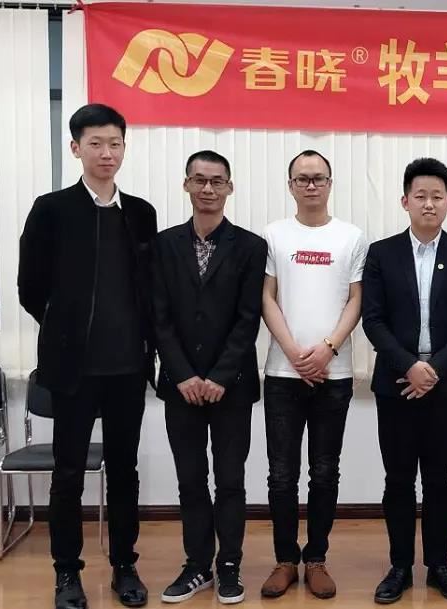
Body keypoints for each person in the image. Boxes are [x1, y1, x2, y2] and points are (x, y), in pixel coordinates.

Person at [18, 103, 157, 609]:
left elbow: (148, 287)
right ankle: (66, 572)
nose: (106, 153)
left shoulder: (140, 213)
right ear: (76, 148)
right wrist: (65, 329)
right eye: (95, 143)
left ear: (124, 148)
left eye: (114, 143)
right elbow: (30, 288)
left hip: (127, 367)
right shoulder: (51, 209)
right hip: (74, 368)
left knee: (124, 470)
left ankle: (124, 565)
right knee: (69, 473)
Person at [362, 158, 447, 604]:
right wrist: (409, 366)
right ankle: (399, 566)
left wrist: (434, 370)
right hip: (396, 383)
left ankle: (438, 565)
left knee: (439, 479)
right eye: (420, 196)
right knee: (397, 479)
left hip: (445, 385)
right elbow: (373, 320)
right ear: (405, 201)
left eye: (437, 196)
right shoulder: (382, 253)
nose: (428, 204)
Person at [151, 150, 266, 605]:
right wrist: (182, 374)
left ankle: (229, 565)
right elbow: (158, 317)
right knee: (191, 479)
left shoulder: (250, 246)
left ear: (230, 188)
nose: (208, 189)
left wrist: (219, 375)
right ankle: (197, 564)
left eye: (217, 181)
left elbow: (248, 318)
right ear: (186, 185)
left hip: (231, 386)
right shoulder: (163, 245)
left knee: (230, 480)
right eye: (199, 180)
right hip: (179, 386)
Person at [259, 149, 367, 600]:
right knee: (281, 474)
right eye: (301, 178)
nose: (310, 185)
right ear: (290, 185)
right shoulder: (274, 234)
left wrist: (328, 349)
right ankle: (285, 559)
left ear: (330, 183)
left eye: (318, 178)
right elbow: (267, 296)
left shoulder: (351, 237)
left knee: (324, 472)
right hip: (282, 374)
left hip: (333, 374)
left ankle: (316, 558)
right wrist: (292, 350)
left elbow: (356, 299)